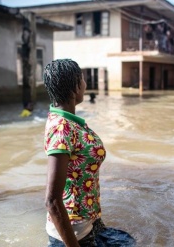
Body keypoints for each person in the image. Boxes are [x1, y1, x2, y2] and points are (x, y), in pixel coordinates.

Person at [43, 59, 135, 247]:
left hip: (89, 223)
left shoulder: (69, 122)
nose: (85, 84)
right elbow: (52, 200)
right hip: (73, 234)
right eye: (83, 80)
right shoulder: (62, 128)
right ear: (76, 87)